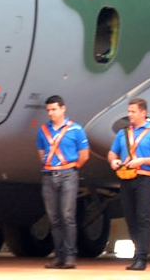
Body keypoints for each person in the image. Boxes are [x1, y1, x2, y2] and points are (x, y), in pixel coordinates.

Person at [107, 98, 150, 271]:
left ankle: (141, 257)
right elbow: (112, 153)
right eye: (129, 111)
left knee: (143, 218)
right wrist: (114, 161)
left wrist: (143, 160)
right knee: (130, 218)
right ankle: (137, 253)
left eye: (133, 111)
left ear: (143, 112)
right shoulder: (123, 133)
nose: (130, 114)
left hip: (145, 179)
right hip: (126, 179)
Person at [37, 95, 89, 269]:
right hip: (48, 175)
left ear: (62, 109)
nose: (51, 113)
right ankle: (58, 255)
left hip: (68, 174)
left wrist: (71, 168)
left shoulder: (76, 129)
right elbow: (41, 153)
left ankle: (69, 256)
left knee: (67, 216)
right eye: (49, 110)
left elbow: (84, 155)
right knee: (53, 218)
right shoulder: (43, 130)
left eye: (54, 109)